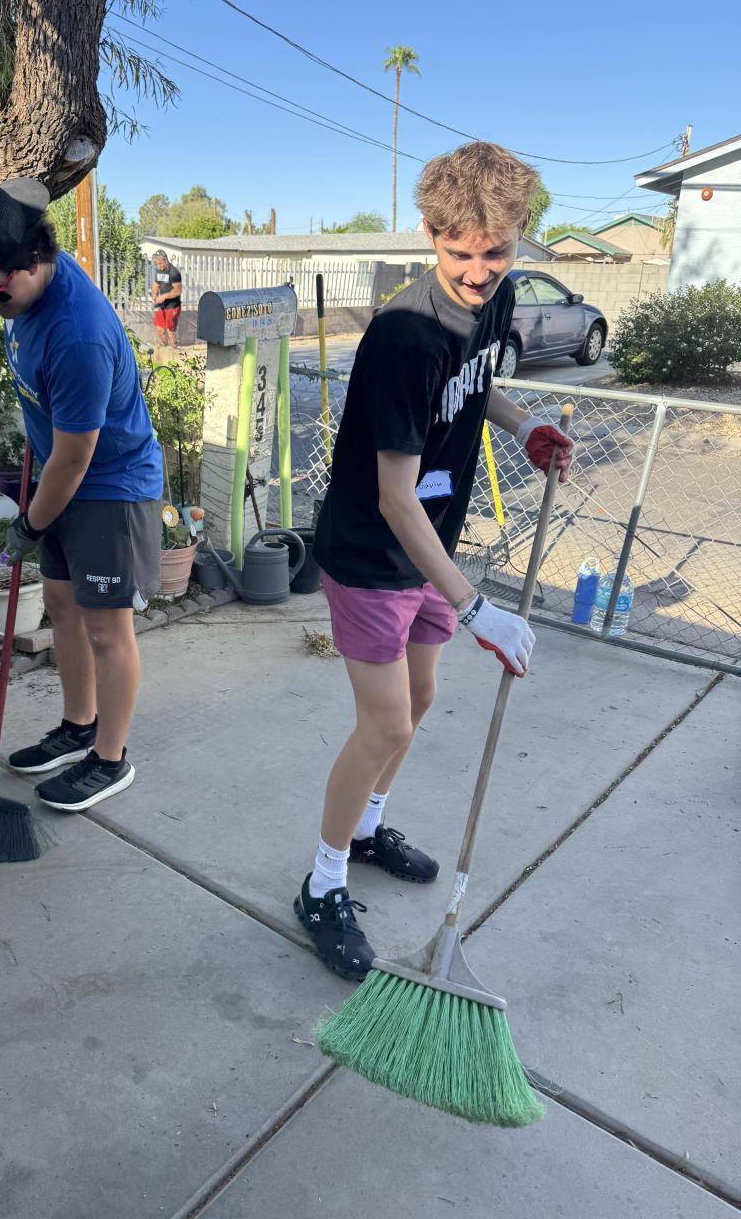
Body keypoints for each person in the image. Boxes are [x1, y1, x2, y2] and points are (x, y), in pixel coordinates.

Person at [297, 142, 574, 980]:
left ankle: (368, 827)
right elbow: (392, 497)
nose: (480, 273)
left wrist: (524, 426)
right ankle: (322, 882)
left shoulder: (501, 296)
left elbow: (476, 384)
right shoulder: (402, 334)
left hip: (432, 545)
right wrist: (477, 608)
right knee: (385, 722)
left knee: (418, 701)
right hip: (373, 550)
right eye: (461, 254)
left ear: (518, 237)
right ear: (430, 235)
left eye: (497, 252)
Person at [0, 177, 164, 812]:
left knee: (107, 629)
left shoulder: (77, 333)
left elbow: (75, 456)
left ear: (29, 261)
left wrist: (30, 523)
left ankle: (110, 759)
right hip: (62, 480)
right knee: (62, 605)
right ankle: (78, 726)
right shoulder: (21, 294)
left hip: (110, 488)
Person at [151, 249, 182, 347]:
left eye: (160, 263)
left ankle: (174, 349)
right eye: (157, 264)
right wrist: (154, 296)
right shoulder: (159, 271)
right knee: (159, 330)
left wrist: (164, 296)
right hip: (162, 305)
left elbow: (177, 291)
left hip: (173, 306)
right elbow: (155, 285)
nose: (159, 266)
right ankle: (163, 350)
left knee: (170, 330)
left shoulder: (174, 273)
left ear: (166, 260)